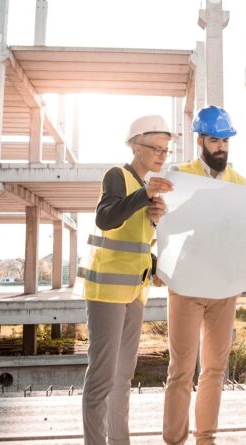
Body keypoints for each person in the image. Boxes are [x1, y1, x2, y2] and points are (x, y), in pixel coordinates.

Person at [80, 115, 174, 445]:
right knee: (102, 378)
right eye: (155, 147)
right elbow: (106, 218)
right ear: (135, 145)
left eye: (166, 149)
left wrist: (157, 265)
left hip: (135, 292)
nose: (162, 154)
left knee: (122, 378)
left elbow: (137, 245)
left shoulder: (147, 190)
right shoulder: (117, 175)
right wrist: (143, 197)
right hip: (107, 290)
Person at [162, 106, 246, 445]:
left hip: (224, 287)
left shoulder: (240, 183)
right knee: (181, 369)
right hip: (186, 286)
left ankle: (206, 439)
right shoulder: (178, 175)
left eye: (226, 141)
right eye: (215, 140)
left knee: (214, 369)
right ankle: (174, 440)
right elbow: (163, 227)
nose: (222, 148)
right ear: (201, 140)